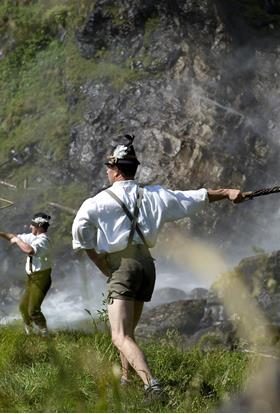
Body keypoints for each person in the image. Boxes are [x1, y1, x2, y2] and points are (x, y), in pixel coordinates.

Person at [71, 134, 245, 395]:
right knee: (129, 331)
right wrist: (228, 192)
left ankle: (152, 386)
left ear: (116, 170)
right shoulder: (156, 195)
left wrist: (100, 263)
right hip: (146, 266)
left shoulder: (97, 202)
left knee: (119, 335)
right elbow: (194, 197)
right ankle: (127, 381)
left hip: (123, 267)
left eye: (109, 168)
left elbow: (81, 236)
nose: (107, 172)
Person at [0, 212, 52, 336]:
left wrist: (17, 241)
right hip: (33, 277)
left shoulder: (44, 240)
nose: (30, 226)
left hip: (41, 278)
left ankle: (45, 334)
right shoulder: (33, 237)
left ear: (39, 226)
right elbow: (12, 236)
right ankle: (29, 333)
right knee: (23, 308)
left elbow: (30, 250)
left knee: (33, 310)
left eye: (33, 224)